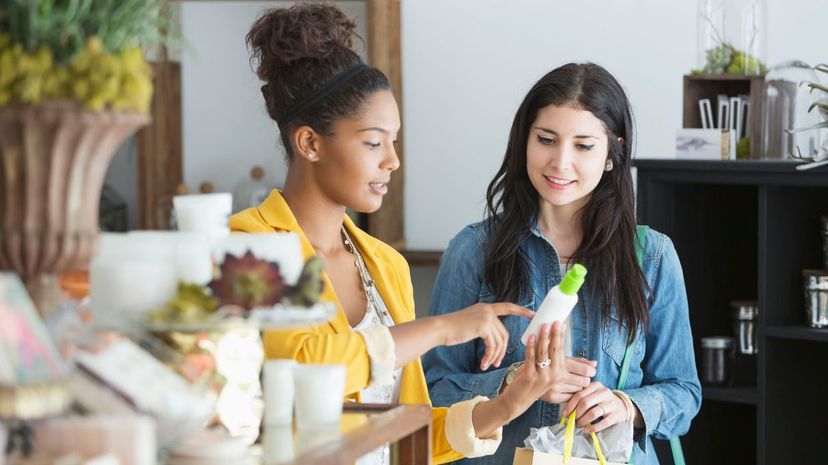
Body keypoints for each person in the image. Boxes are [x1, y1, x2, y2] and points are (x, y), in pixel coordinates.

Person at [229, 4, 591, 464]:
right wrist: (440, 329)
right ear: (310, 143)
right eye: (373, 141)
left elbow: (407, 435)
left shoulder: (385, 265)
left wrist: (508, 403)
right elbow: (303, 369)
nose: (391, 161)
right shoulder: (250, 245)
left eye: (394, 142)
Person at [423, 63, 702, 465]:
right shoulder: (474, 249)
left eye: (583, 145)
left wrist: (625, 405)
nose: (560, 162)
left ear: (612, 153)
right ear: (525, 141)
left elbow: (684, 393)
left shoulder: (653, 257)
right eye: (546, 140)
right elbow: (434, 390)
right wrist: (513, 382)